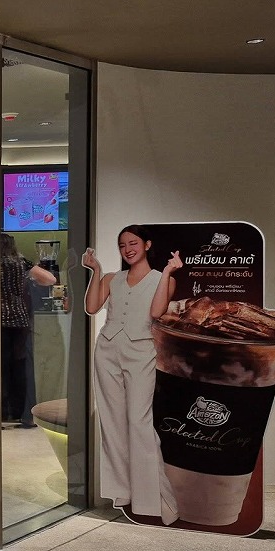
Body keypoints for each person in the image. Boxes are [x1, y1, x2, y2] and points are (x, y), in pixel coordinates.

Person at [82, 225, 178, 524]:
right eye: (122, 245)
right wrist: (96, 270)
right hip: (107, 351)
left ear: (147, 245)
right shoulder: (112, 278)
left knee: (139, 421)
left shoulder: (163, 279)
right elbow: (91, 307)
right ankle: (122, 491)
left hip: (141, 352)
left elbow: (156, 313)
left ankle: (155, 498)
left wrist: (168, 272)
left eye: (133, 243)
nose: (128, 249)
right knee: (112, 422)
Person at [1, 234, 56, 427]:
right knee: (21, 368)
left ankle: (0, 413)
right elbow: (50, 279)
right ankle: (25, 414)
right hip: (20, 321)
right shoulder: (21, 262)